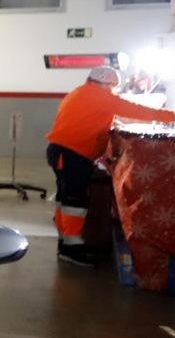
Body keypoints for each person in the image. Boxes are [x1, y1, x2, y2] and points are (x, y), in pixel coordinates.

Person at [46, 66, 175, 265]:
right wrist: (171, 116)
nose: (113, 91)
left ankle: (65, 243)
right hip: (73, 154)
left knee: (65, 197)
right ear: (108, 83)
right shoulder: (100, 96)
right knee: (74, 200)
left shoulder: (79, 92)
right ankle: (72, 247)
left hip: (61, 151)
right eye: (113, 87)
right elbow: (137, 111)